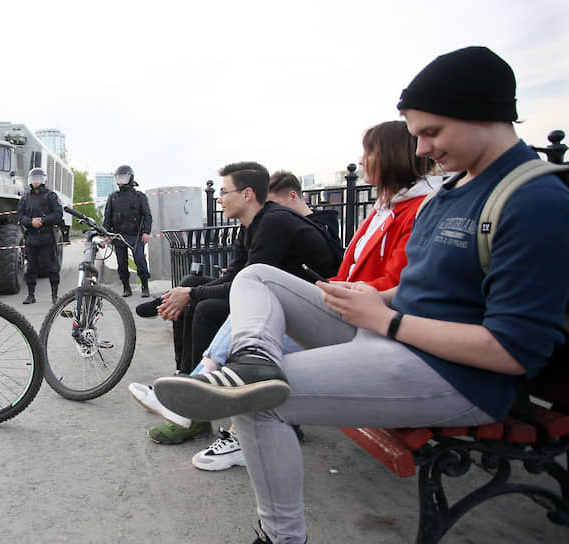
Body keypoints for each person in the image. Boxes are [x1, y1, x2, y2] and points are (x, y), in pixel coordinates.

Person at [152, 46, 569, 543]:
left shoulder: (535, 199)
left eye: (431, 132)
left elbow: (513, 352)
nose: (421, 150)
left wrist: (386, 319)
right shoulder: (457, 189)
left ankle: (281, 536)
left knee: (259, 401)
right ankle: (253, 356)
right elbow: (432, 288)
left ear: (482, 111)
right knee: (255, 277)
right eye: (417, 136)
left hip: (453, 375)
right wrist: (376, 297)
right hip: (391, 336)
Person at [179, 121, 438, 472]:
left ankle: (204, 389)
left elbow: (401, 283)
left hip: (367, 325)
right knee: (251, 326)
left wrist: (337, 292)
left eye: (370, 153)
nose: (362, 162)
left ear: (392, 157)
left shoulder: (418, 210)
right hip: (349, 313)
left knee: (253, 310)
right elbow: (348, 273)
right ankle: (213, 402)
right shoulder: (383, 209)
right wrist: (330, 288)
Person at [132, 162, 340, 445]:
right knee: (194, 289)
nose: (219, 198)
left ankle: (193, 398)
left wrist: (191, 295)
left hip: (318, 313)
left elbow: (249, 285)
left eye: (224, 191)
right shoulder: (251, 226)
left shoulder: (274, 222)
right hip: (284, 303)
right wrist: (186, 291)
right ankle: (186, 384)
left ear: (247, 194)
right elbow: (234, 277)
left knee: (204, 305)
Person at [103, 165, 152, 297]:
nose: (121, 180)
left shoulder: (139, 196)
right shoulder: (113, 197)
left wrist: (146, 232)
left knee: (140, 260)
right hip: (118, 235)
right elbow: (107, 217)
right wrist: (106, 233)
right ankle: (126, 287)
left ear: (130, 178)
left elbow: (147, 215)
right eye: (119, 178)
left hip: (136, 235)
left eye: (124, 177)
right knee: (122, 263)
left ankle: (145, 286)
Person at [17, 167, 63, 304]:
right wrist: (30, 221)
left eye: (38, 179)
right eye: (33, 179)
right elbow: (19, 216)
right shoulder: (25, 198)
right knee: (31, 268)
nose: (36, 182)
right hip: (31, 237)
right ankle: (31, 295)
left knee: (51, 267)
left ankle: (55, 295)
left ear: (43, 180)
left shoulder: (51, 196)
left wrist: (43, 221)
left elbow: (58, 215)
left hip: (47, 237)